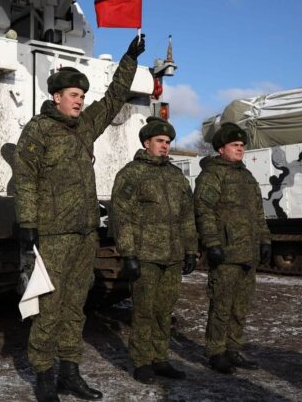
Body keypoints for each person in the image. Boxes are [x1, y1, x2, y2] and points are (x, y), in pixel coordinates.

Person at [13, 34, 145, 402]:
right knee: (50, 307)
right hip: (53, 235)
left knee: (75, 308)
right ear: (57, 97)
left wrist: (129, 59)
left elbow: (114, 99)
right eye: (74, 95)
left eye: (82, 96)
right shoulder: (38, 130)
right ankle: (43, 375)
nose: (80, 100)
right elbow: (25, 180)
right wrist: (27, 226)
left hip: (86, 233)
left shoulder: (85, 127)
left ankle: (69, 372)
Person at [110, 117, 198, 384]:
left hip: (172, 256)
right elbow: (121, 215)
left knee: (164, 311)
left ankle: (160, 359)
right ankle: (141, 362)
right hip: (145, 255)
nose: (165, 146)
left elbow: (187, 215)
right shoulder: (131, 173)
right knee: (144, 311)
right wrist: (128, 254)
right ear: (146, 143)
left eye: (168, 142)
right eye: (160, 141)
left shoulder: (175, 176)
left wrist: (191, 249)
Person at [193, 122, 272, 374]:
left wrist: (265, 239)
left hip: (248, 252)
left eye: (242, 146)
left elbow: (258, 214)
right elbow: (203, 211)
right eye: (235, 145)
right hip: (226, 252)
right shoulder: (212, 175)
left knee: (241, 306)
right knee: (222, 305)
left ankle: (233, 349)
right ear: (221, 148)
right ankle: (216, 352)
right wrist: (212, 243)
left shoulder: (246, 176)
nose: (240, 149)